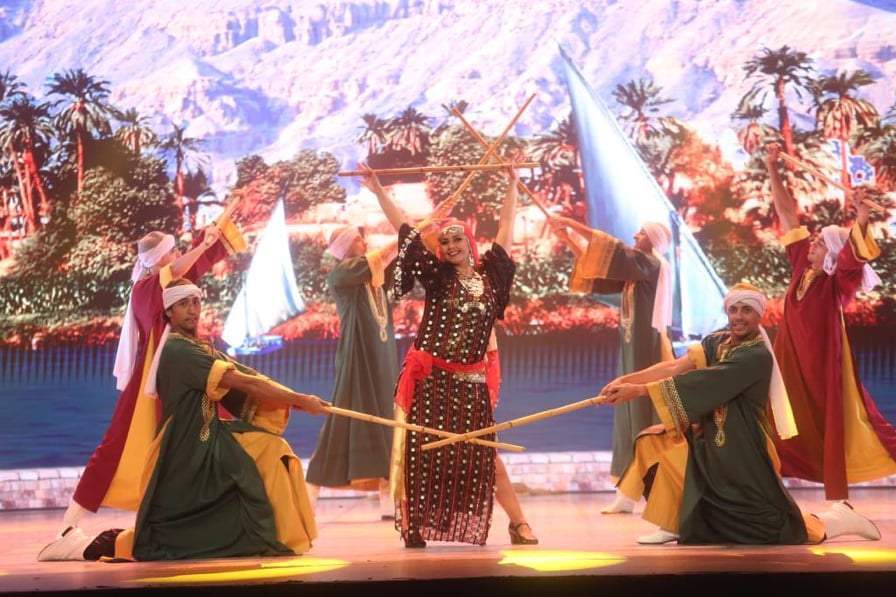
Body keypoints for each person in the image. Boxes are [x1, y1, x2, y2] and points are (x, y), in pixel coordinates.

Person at [39, 280, 328, 561]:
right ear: (169, 311)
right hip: (187, 448)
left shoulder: (198, 347)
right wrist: (301, 400)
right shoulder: (178, 350)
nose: (192, 309)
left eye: (196, 302)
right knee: (163, 541)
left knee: (270, 449)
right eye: (183, 304)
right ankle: (78, 548)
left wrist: (297, 399)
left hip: (209, 438)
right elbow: (244, 383)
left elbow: (250, 376)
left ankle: (268, 535)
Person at [601, 283, 880, 546]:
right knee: (655, 442)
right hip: (711, 439)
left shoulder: (756, 355)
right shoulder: (717, 342)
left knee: (772, 528)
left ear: (759, 314)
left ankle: (837, 520)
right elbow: (675, 367)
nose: (738, 316)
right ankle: (673, 522)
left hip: (743, 448)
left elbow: (704, 383)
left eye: (746, 310)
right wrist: (625, 380)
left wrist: (638, 391)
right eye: (733, 310)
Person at [369, 164, 536, 547]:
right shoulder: (437, 276)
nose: (450, 246)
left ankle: (519, 523)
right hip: (432, 383)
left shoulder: (493, 278)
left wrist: (512, 185)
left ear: (469, 242)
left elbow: (506, 230)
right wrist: (378, 189)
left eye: (457, 239)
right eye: (444, 242)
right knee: (422, 456)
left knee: (485, 457)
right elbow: (405, 230)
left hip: (471, 385)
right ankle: (414, 527)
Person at [60, 219, 246, 533]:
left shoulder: (167, 285)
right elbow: (180, 268)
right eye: (171, 251)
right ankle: (70, 522)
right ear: (158, 259)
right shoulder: (145, 289)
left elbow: (189, 268)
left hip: (181, 371)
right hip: (154, 378)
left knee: (205, 435)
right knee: (119, 444)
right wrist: (203, 244)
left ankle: (211, 516)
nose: (176, 255)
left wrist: (214, 234)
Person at [764, 143, 896, 500]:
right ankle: (763, 486)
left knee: (837, 426)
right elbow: (787, 214)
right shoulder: (800, 266)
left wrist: (862, 216)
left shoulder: (838, 282)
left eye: (821, 242)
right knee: (775, 421)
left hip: (821, 371)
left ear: (834, 255)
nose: (813, 243)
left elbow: (854, 255)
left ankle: (838, 501)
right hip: (790, 364)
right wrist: (772, 167)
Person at [550, 216, 674, 514]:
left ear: (654, 240)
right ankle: (627, 491)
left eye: (641, 232)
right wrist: (568, 239)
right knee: (627, 416)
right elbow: (597, 269)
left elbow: (612, 250)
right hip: (633, 348)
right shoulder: (636, 273)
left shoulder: (649, 264)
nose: (635, 234)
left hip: (647, 348)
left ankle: (652, 490)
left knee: (642, 416)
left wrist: (571, 224)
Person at [305, 220, 399, 519]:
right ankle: (308, 496)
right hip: (357, 358)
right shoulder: (343, 273)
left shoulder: (372, 278)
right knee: (343, 420)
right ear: (346, 246)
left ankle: (388, 499)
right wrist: (411, 232)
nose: (364, 242)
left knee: (387, 422)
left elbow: (393, 263)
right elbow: (382, 256)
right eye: (358, 239)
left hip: (382, 359)